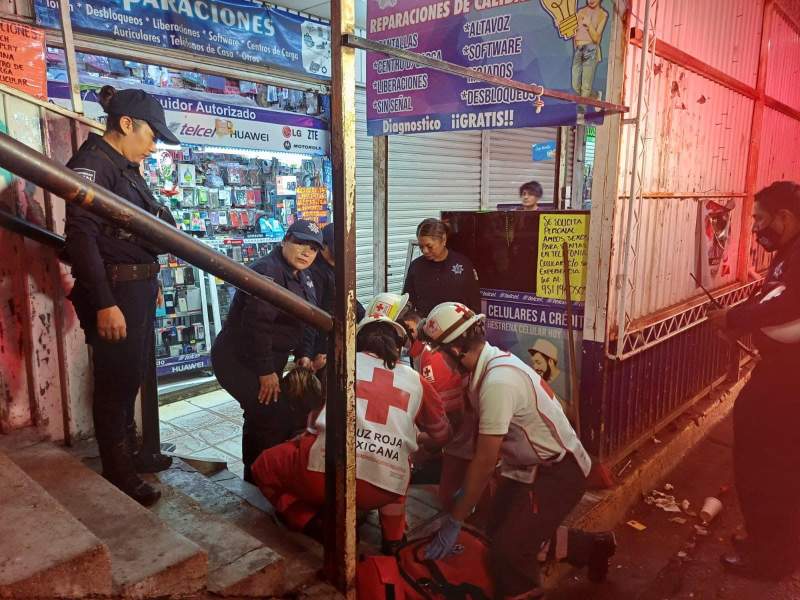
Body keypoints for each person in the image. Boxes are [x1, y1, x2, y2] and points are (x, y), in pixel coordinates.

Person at [419, 302, 616, 598]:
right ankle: (593, 547)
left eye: (440, 352)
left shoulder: (498, 382)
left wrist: (456, 517)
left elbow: (485, 461)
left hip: (558, 471)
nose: (439, 361)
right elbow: (467, 439)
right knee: (496, 529)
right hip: (528, 468)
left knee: (509, 553)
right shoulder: (483, 371)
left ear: (456, 350)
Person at [64, 86, 180, 506]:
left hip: (137, 287)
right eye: (152, 135)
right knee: (115, 384)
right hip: (116, 290)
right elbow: (80, 238)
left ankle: (134, 454)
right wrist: (105, 302)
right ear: (126, 124)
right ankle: (118, 471)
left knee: (130, 377)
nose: (154, 146)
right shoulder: (93, 164)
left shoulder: (124, 165)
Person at [251, 312, 451, 554]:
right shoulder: (418, 382)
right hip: (382, 492)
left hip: (323, 477)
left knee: (263, 466)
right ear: (398, 347)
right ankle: (394, 540)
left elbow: (314, 423)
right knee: (396, 465)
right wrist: (412, 442)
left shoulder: (339, 365)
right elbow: (442, 436)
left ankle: (308, 520)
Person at [707, 181, 800, 580]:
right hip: (778, 371)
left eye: (761, 219)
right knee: (763, 457)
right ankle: (767, 540)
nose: (758, 227)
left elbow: (788, 302)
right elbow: (769, 299)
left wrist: (735, 319)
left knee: (769, 464)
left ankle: (770, 558)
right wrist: (737, 318)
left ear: (785, 217)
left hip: (788, 379)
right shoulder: (788, 253)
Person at [211, 220, 321, 482]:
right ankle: (257, 478)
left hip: (270, 357)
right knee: (269, 414)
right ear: (285, 240)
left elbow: (309, 316)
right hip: (238, 359)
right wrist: (266, 371)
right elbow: (256, 326)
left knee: (265, 413)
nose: (306, 252)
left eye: (313, 248)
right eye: (300, 244)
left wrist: (303, 354)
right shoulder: (266, 271)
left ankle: (262, 476)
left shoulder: (303, 274)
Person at [296, 224, 365, 374]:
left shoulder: (339, 266)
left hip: (338, 338)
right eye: (337, 248)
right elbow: (312, 313)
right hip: (321, 345)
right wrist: (308, 354)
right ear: (323, 247)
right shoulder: (314, 272)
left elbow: (349, 297)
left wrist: (367, 318)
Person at [403, 218, 481, 316]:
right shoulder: (416, 267)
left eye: (429, 246)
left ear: (443, 239)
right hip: (425, 326)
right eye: (421, 247)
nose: (425, 251)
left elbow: (475, 304)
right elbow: (408, 302)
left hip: (457, 327)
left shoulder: (463, 265)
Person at [572, 0, 609, 102]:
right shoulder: (580, 12)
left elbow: (597, 39)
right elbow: (575, 32)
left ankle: (581, 115)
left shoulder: (603, 14)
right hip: (579, 49)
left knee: (585, 87)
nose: (591, 0)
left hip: (591, 49)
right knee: (575, 85)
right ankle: (595, 95)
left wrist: (589, 24)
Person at [528, 338, 569, 412]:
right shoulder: (537, 378)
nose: (535, 367)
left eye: (538, 362)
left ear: (550, 361)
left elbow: (575, 416)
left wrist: (548, 393)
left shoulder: (570, 381)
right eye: (533, 363)